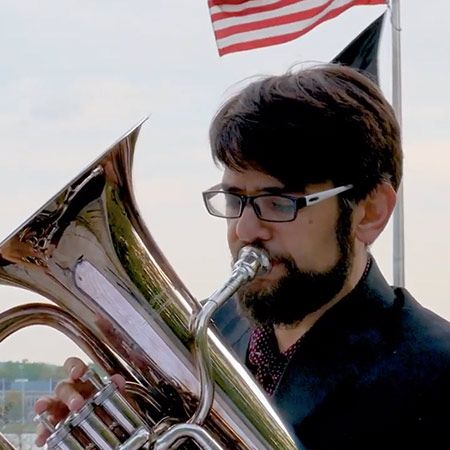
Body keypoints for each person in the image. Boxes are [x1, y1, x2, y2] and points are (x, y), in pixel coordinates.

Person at [35, 64, 450, 449]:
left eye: (279, 201)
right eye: (234, 199)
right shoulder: (200, 336)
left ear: (370, 211)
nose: (245, 231)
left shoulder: (435, 372)